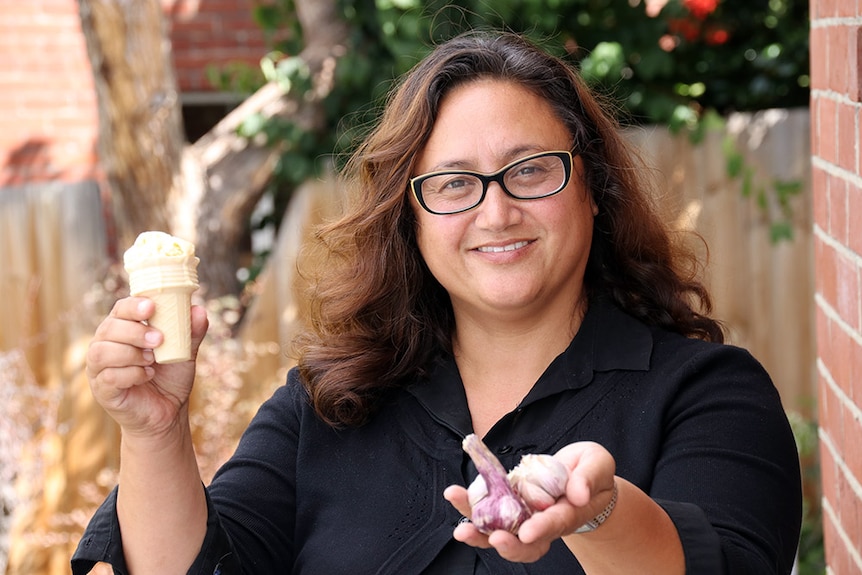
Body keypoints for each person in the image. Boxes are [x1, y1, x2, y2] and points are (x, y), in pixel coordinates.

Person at [72, 30, 802, 574]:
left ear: (592, 188)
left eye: (531, 170)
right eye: (453, 183)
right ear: (409, 217)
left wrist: (600, 515)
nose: (496, 211)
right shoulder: (325, 406)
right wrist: (155, 431)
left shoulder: (709, 395)